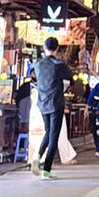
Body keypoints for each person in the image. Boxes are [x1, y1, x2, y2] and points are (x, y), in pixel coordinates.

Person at [31, 37, 72, 180]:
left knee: (49, 132)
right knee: (54, 135)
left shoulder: (37, 65)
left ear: (44, 47)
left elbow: (36, 80)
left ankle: (37, 156)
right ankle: (46, 170)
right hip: (56, 103)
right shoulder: (58, 65)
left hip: (42, 103)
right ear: (57, 49)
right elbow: (70, 80)